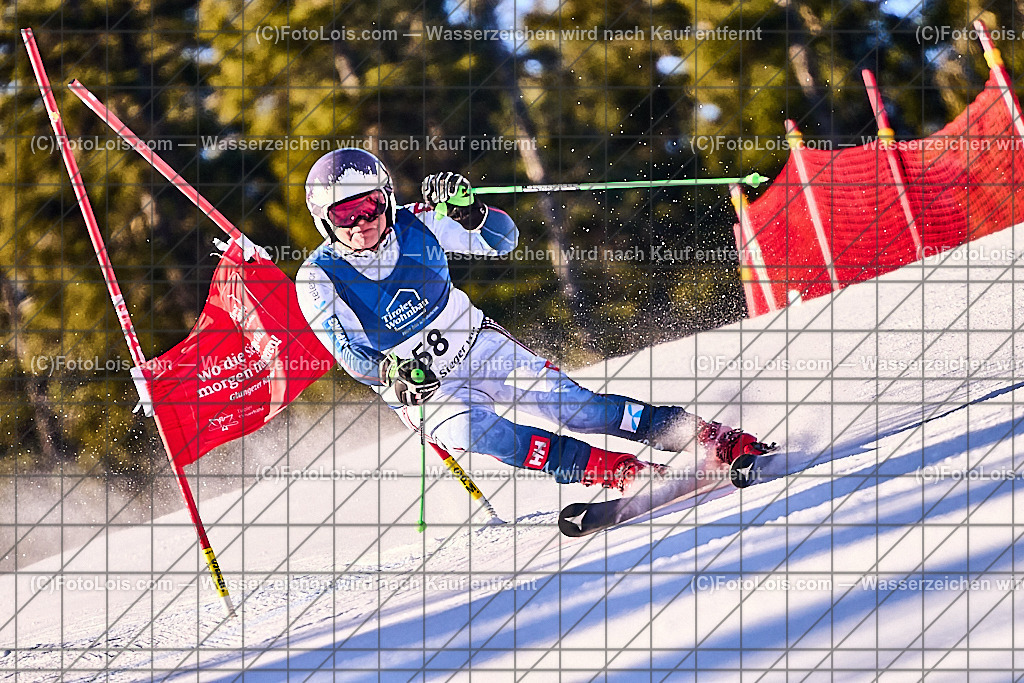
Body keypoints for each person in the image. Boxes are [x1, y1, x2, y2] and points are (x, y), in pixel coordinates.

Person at [295, 148, 770, 493]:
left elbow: (504, 241)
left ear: (386, 199)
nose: (363, 221)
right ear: (324, 220)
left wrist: (475, 214)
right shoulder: (318, 278)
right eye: (345, 213)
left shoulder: (419, 223)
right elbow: (345, 351)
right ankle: (616, 471)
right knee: (483, 436)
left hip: (481, 349)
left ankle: (710, 438)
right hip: (425, 388)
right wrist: (390, 373)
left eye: (371, 205)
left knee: (579, 409)